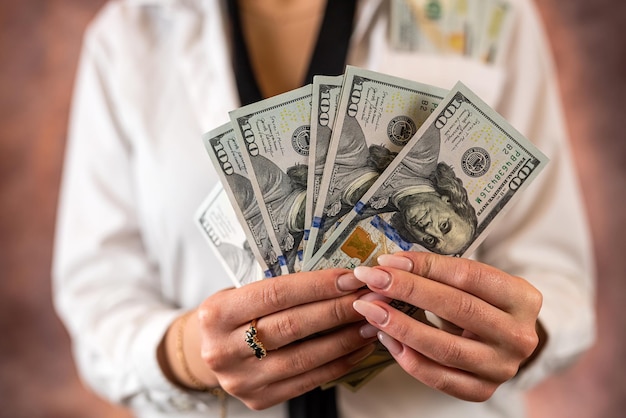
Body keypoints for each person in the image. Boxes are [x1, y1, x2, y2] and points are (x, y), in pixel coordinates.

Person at [52, 1, 595, 418]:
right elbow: (98, 289)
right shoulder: (128, 35)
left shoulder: (483, 13)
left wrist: (519, 335)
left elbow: (558, 277)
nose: (432, 226)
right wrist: (187, 354)